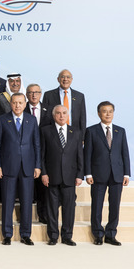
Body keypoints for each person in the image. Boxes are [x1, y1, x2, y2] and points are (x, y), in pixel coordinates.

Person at [0, 92, 41, 246]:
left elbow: (37, 145)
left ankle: (26, 234)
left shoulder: (31, 120)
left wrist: (37, 165)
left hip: (28, 167)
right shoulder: (2, 120)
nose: (17, 106)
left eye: (20, 103)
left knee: (27, 202)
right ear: (11, 103)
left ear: (25, 104)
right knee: (7, 201)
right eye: (14, 103)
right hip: (8, 167)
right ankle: (7, 234)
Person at [84, 101, 131, 246]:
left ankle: (111, 234)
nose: (108, 114)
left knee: (115, 206)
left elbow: (125, 153)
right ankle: (98, 234)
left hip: (117, 174)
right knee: (97, 205)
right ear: (99, 113)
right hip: (98, 174)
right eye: (104, 111)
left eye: (110, 111)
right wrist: (88, 174)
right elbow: (87, 154)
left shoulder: (120, 131)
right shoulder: (91, 131)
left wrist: (126, 174)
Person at [40, 105, 83, 246]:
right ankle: (53, 236)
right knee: (52, 208)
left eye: (64, 113)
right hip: (52, 176)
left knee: (69, 208)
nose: (61, 116)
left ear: (68, 115)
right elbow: (42, 155)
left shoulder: (75, 132)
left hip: (70, 177)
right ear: (54, 116)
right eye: (58, 113)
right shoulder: (46, 131)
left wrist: (79, 175)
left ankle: (67, 236)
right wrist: (44, 173)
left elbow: (79, 155)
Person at [25, 83, 51, 224]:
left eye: (36, 92)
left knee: (43, 186)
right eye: (30, 92)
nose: (34, 95)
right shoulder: (22, 110)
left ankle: (43, 215)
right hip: (27, 152)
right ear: (27, 95)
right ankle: (26, 216)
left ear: (41, 94)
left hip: (45, 152)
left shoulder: (50, 110)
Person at [43, 69, 86, 137]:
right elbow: (45, 117)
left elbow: (83, 118)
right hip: (54, 135)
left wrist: (83, 137)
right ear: (58, 79)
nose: (65, 79)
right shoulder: (48, 95)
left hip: (74, 135)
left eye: (68, 77)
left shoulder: (79, 96)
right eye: (62, 77)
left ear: (71, 79)